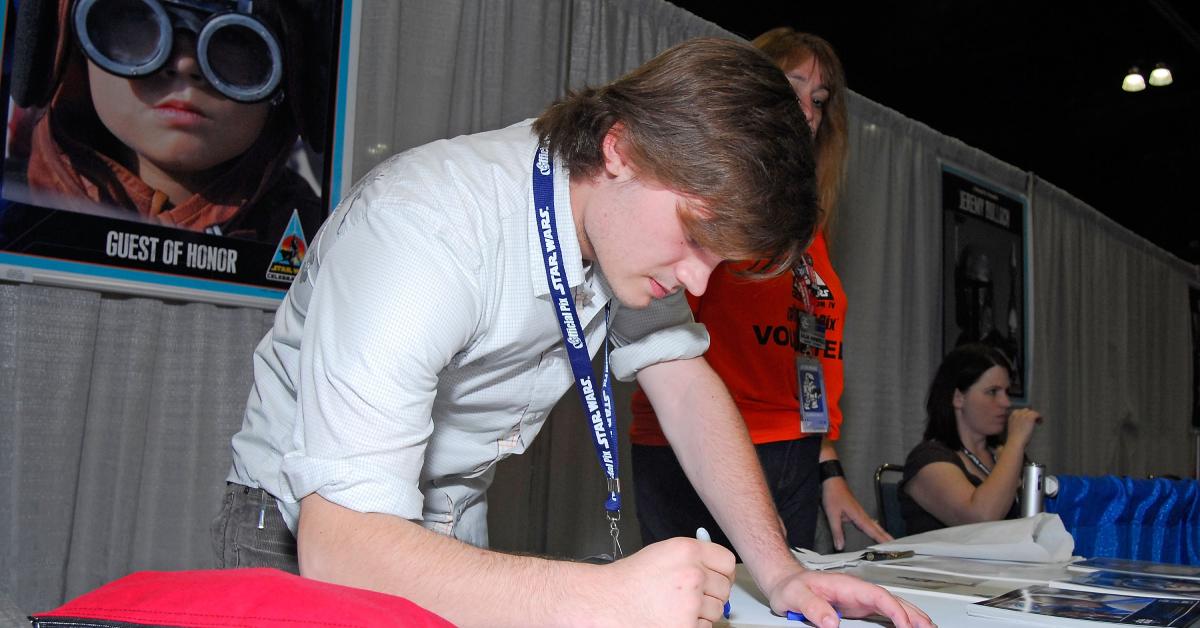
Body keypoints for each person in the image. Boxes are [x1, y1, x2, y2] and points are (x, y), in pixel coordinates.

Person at [214, 37, 932, 628]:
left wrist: (782, 574)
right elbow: (343, 549)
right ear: (620, 149)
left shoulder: (625, 223)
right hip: (305, 528)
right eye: (693, 237)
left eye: (720, 259)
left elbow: (684, 384)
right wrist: (603, 598)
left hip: (449, 522)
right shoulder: (425, 229)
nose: (700, 283)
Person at [629, 27, 891, 556]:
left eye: (820, 100)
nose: (809, 111)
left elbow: (806, 356)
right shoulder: (711, 202)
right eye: (792, 87)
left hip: (794, 452)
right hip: (705, 450)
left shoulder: (806, 230)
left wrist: (828, 471)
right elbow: (663, 353)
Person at [4, 0, 326, 241]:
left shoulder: (325, 255)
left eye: (235, 38)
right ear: (67, 39)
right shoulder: (12, 220)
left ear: (297, 70)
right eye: (136, 16)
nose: (185, 64)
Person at [899, 343, 1045, 534]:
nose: (1006, 403)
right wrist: (1015, 442)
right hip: (945, 563)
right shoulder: (928, 459)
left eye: (1006, 392)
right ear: (958, 397)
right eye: (992, 392)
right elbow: (981, 518)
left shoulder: (1001, 455)